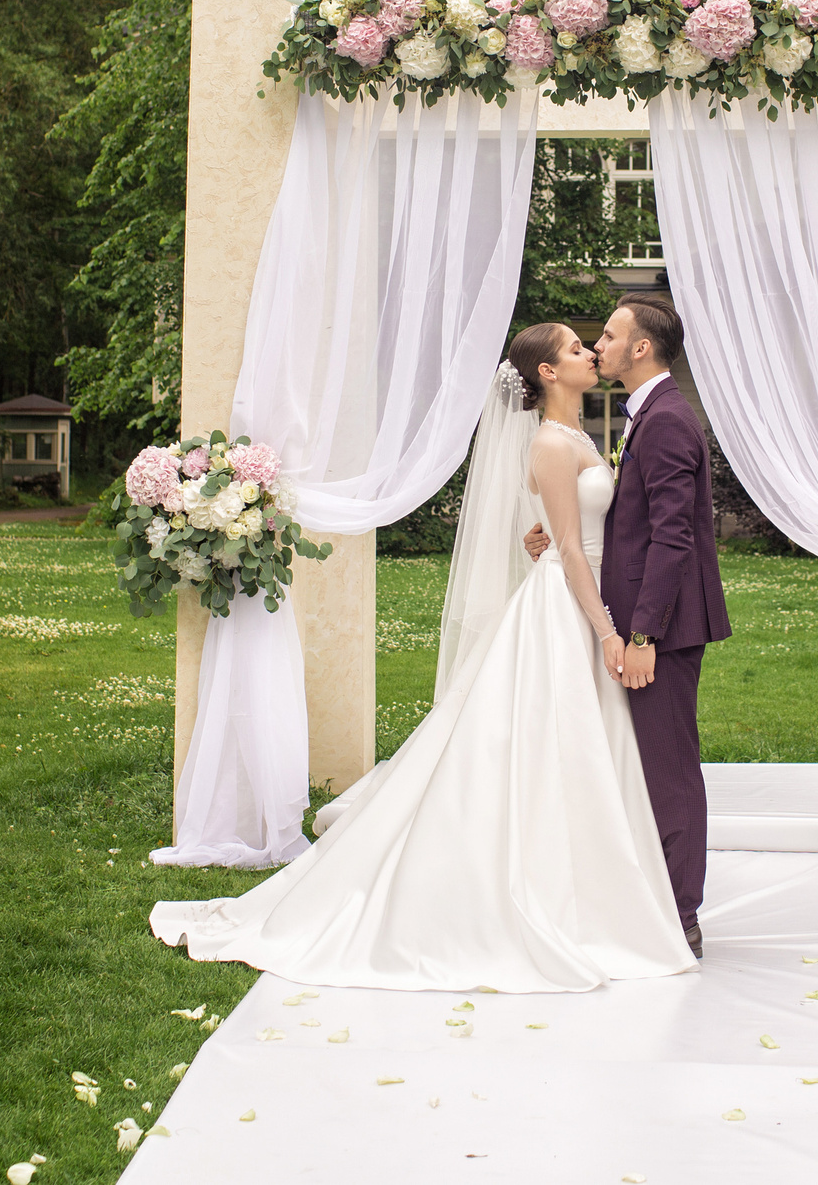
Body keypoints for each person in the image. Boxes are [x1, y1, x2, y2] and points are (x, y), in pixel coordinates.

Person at [145, 323, 694, 993]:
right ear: (548, 373)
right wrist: (607, 631)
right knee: (554, 740)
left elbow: (580, 527)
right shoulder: (552, 442)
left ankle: (597, 883)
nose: (590, 351)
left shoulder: (577, 436)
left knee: (581, 745)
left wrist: (552, 535)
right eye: (577, 348)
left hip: (584, 595)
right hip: (570, 605)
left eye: (591, 343)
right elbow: (572, 550)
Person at [528, 293, 728, 958]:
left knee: (668, 769)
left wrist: (643, 636)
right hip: (641, 621)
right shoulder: (647, 414)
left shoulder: (664, 419)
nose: (598, 346)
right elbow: (637, 519)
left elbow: (673, 538)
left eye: (608, 337)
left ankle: (681, 916)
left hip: (660, 629)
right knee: (644, 764)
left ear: (640, 348)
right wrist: (556, 533)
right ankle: (651, 901)